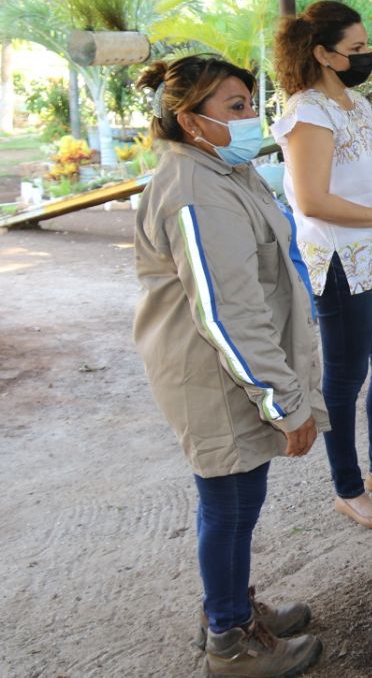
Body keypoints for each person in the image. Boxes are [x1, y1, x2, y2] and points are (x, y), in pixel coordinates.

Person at [133, 55, 326, 677]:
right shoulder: (194, 190)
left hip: (231, 371)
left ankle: (230, 608)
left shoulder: (225, 171)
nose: (252, 118)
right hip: (216, 377)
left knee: (241, 497)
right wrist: (284, 402)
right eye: (235, 107)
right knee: (229, 501)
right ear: (191, 121)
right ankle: (229, 641)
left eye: (250, 103)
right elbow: (227, 312)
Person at [271, 1, 372, 529]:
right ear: (322, 53)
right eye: (357, 49)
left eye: (367, 46)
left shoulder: (354, 105)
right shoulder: (306, 113)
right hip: (341, 261)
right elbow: (312, 201)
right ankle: (348, 487)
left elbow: (362, 180)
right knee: (345, 377)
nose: (368, 56)